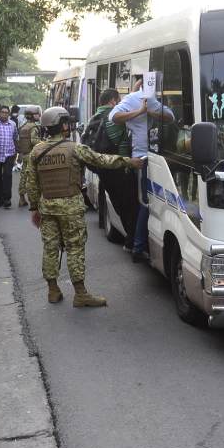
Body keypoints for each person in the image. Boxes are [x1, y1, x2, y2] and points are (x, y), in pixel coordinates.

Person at [24, 106, 143, 307]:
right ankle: (80, 294)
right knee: (75, 248)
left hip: (47, 208)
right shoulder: (74, 148)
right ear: (62, 125)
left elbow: (31, 183)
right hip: (71, 207)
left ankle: (53, 291)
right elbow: (101, 160)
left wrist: (34, 208)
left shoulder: (37, 151)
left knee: (50, 248)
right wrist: (128, 162)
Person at [110, 78, 174, 263]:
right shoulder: (133, 98)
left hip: (158, 156)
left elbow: (170, 117)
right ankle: (138, 246)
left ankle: (141, 243)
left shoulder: (154, 99)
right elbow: (113, 117)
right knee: (145, 202)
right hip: (142, 159)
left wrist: (153, 113)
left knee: (154, 202)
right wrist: (139, 111)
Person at [92, 88, 138, 250]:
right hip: (120, 168)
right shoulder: (114, 118)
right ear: (113, 101)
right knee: (130, 206)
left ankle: (130, 239)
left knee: (120, 204)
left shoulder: (96, 117)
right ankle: (132, 241)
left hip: (104, 169)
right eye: (119, 101)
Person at [16, 109, 41, 207]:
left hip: (24, 154)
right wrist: (44, 143)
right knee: (32, 178)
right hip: (31, 155)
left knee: (23, 176)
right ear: (32, 116)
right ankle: (33, 201)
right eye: (36, 114)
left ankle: (22, 198)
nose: (38, 115)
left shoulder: (23, 127)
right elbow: (34, 141)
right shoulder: (33, 127)